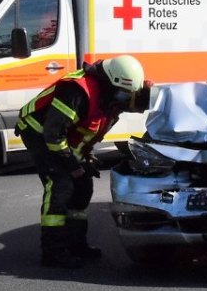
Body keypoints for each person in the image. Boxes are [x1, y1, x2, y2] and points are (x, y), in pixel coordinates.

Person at [14, 55, 149, 268]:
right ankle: (53, 252)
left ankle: (76, 244)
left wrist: (85, 157)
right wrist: (73, 166)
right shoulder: (77, 91)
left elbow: (86, 131)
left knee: (83, 186)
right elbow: (53, 135)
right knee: (60, 185)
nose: (125, 100)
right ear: (111, 82)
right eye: (124, 94)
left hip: (62, 139)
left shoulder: (111, 97)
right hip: (38, 132)